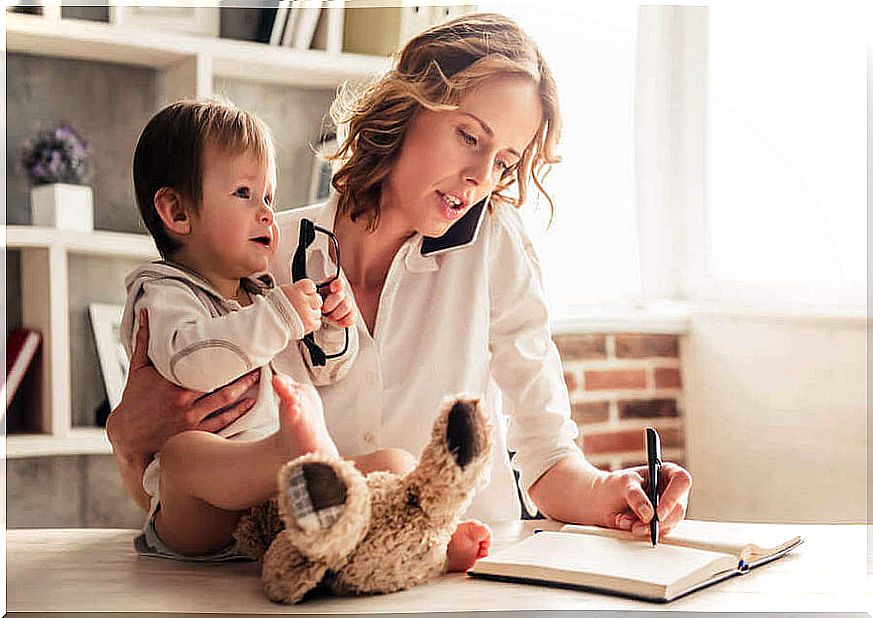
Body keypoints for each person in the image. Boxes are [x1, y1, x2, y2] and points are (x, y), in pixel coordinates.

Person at [108, 13, 691, 547]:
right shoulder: (256, 255)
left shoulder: (495, 244)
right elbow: (175, 490)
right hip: (302, 587)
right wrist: (128, 439)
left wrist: (609, 493)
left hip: (462, 582)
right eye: (470, 137)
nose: (480, 178)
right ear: (410, 104)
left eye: (506, 163)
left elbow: (546, 457)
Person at [119, 97, 490, 570]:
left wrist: (336, 325)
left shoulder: (260, 291)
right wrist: (281, 318)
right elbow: (191, 361)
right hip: (197, 516)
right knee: (183, 457)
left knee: (392, 465)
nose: (267, 214)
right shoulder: (164, 289)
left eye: (269, 198)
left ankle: (427, 536)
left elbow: (327, 370)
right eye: (244, 194)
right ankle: (285, 457)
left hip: (276, 507)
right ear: (176, 212)